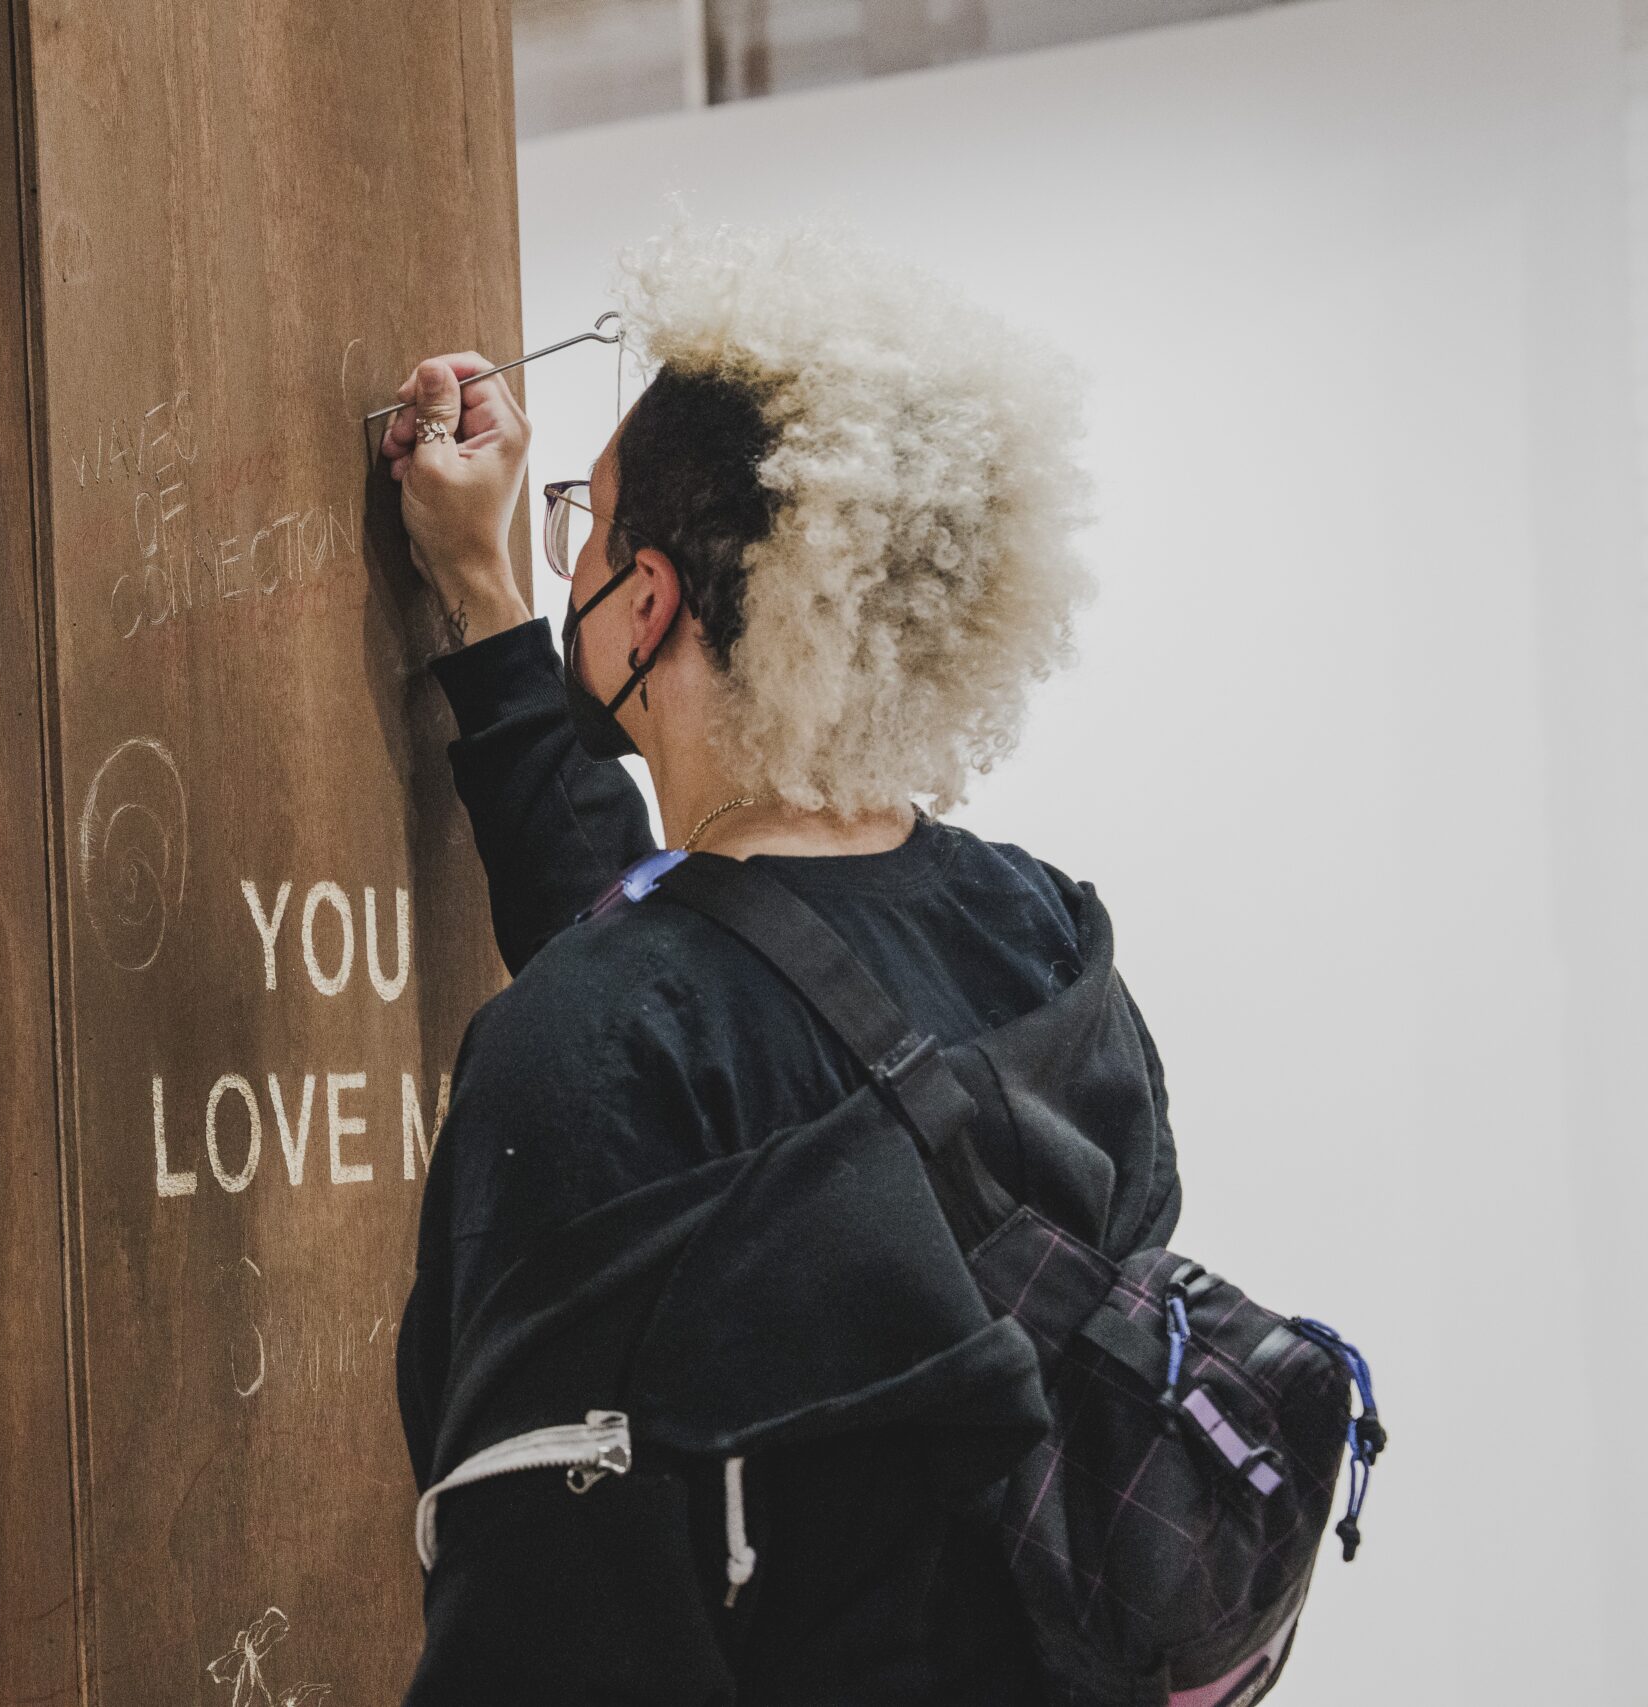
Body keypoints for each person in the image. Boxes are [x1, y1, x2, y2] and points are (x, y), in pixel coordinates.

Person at [378, 225, 1181, 1705]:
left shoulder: (597, 1042)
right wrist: (488, 603)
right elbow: (711, 1000)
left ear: (652, 605)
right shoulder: (1048, 943)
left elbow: (529, 1627)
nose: (573, 559)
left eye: (589, 523)